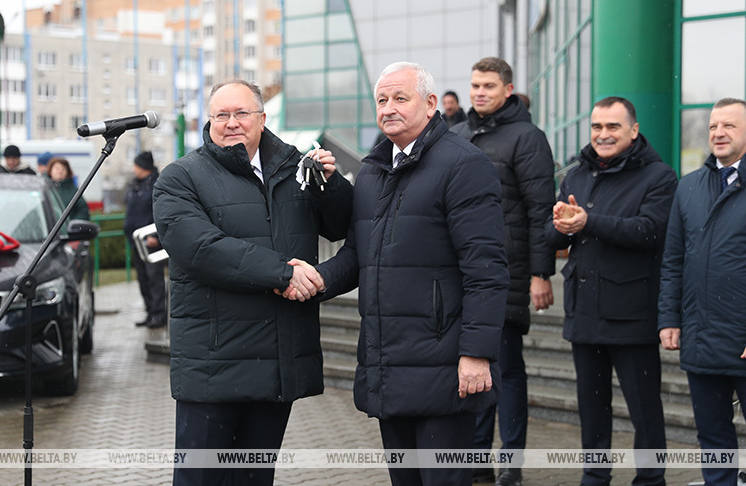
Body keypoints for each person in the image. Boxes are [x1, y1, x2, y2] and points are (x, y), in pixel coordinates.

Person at [286, 61, 509, 486]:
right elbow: (358, 254)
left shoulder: (464, 165)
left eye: (399, 98)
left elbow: (487, 269)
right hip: (390, 366)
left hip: (444, 366)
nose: (388, 108)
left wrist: (476, 353)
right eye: (382, 100)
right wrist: (316, 278)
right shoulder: (373, 171)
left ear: (429, 105)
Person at [151, 79, 353, 486]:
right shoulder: (180, 177)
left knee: (254, 478)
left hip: (276, 362)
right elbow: (201, 249)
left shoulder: (296, 168)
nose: (231, 123)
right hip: (213, 364)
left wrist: (331, 186)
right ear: (208, 122)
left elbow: (342, 226)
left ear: (262, 118)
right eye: (220, 115)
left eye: (241, 113)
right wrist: (284, 274)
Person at [546, 96, 675, 486]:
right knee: (592, 407)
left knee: (644, 409)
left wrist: (587, 222)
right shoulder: (577, 174)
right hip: (583, 309)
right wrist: (560, 228)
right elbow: (552, 231)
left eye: (613, 127)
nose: (603, 135)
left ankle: (651, 479)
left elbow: (649, 231)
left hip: (632, 312)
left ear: (633, 131)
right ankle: (594, 476)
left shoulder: (659, 176)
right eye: (597, 127)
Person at [450, 56, 555, 486]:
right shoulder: (456, 134)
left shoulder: (528, 138)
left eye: (489, 86)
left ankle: (510, 462)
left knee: (507, 373)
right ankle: (476, 462)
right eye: (475, 85)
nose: (479, 92)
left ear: (508, 89)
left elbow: (539, 212)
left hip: (507, 276)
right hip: (461, 276)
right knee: (474, 374)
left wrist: (540, 273)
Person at [658, 97, 746, 486]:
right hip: (702, 336)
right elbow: (673, 259)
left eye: (729, 125)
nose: (718, 133)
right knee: (713, 437)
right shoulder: (689, 186)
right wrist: (669, 319)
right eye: (712, 126)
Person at [124, 151, 167, 329]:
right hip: (136, 240)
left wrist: (155, 236)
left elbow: (161, 213)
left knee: (154, 278)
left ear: (144, 167)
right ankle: (150, 312)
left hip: (150, 241)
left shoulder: (157, 184)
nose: (134, 169)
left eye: (136, 165)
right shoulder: (136, 185)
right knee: (143, 278)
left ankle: (159, 314)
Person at [46, 157, 90, 221]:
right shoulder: (44, 190)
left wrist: (72, 224)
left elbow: (83, 211)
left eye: (63, 169)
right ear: (50, 171)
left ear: (68, 172)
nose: (60, 171)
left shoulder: (73, 191)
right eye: (57, 168)